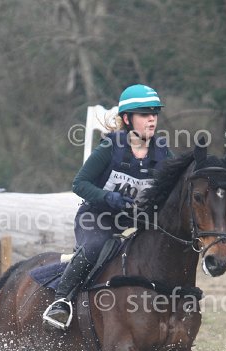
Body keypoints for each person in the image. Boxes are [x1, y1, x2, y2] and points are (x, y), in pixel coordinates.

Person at [43, 84, 173, 329]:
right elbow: (79, 183)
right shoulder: (110, 147)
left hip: (137, 222)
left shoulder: (163, 153)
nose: (152, 119)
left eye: (154, 113)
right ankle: (61, 301)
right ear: (127, 119)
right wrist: (107, 197)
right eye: (145, 114)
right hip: (97, 218)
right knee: (95, 247)